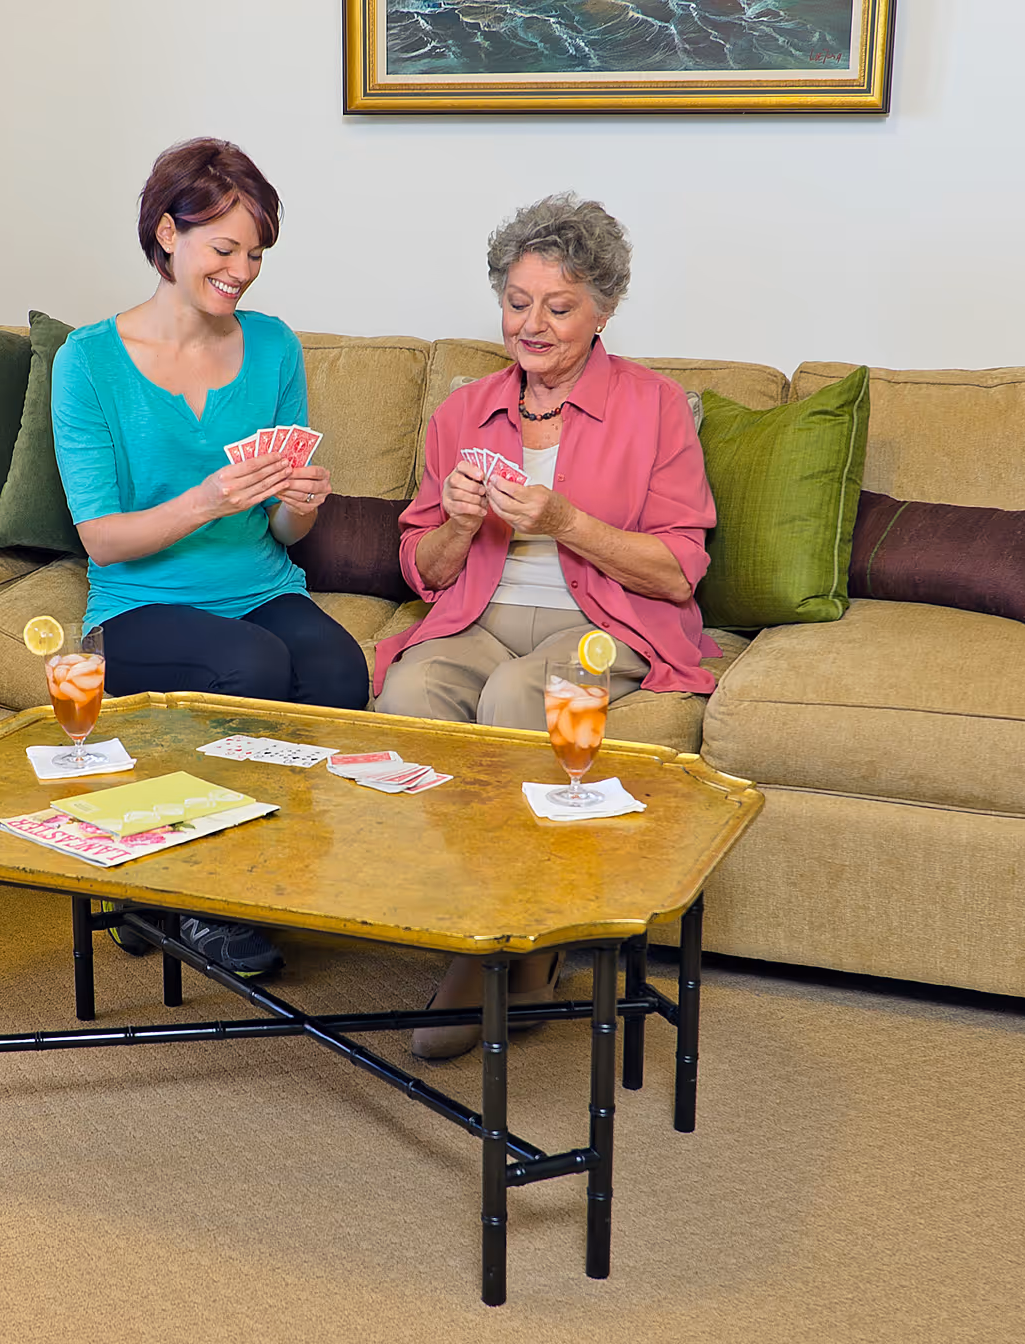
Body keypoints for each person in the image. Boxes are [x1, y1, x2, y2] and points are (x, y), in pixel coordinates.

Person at [372, 193, 720, 1058]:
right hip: (478, 615)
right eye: (517, 302)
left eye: (559, 307)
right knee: (410, 684)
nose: (533, 324)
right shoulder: (464, 410)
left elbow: (679, 568)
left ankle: (521, 948)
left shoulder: (655, 408)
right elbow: (423, 572)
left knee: (522, 696)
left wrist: (566, 522)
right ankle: (458, 919)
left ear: (603, 309)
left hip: (603, 620)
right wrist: (453, 519)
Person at [51, 137, 369, 978]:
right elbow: (101, 539)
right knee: (253, 665)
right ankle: (197, 896)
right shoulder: (87, 362)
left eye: (256, 253)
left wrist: (298, 507)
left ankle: (271, 875)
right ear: (166, 233)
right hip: (135, 608)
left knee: (338, 671)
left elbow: (282, 534)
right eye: (225, 248)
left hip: (258, 584)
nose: (243, 271)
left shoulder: (272, 348)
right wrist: (206, 499)